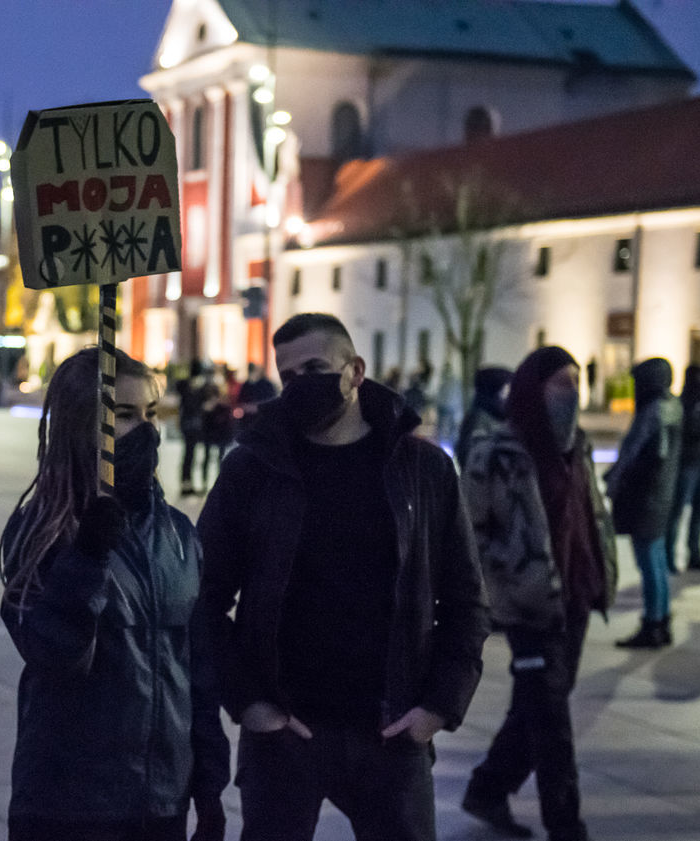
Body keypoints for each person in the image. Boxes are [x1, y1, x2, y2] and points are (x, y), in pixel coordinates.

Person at [196, 313, 488, 841]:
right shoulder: (253, 470)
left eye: (315, 368)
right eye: (288, 376)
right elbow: (204, 597)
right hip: (284, 735)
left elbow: (466, 600)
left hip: (392, 733)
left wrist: (437, 707)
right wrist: (251, 704)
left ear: (355, 372)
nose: (300, 385)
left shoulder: (422, 472)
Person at [0, 346, 229, 841]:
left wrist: (209, 781)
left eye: (150, 413)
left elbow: (196, 667)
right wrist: (86, 558)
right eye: (122, 415)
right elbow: (54, 655)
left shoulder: (177, 536)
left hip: (162, 802)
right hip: (71, 805)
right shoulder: (41, 532)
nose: (145, 429)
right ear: (80, 425)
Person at [460, 346, 616, 841]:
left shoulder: (578, 448)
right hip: (530, 606)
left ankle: (488, 787)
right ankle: (566, 825)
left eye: (576, 381)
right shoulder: (497, 452)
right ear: (533, 388)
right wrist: (506, 581)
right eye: (561, 383)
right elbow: (468, 530)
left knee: (538, 704)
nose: (573, 392)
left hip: (576, 596)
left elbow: (589, 517)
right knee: (552, 718)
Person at [606, 357, 682, 648]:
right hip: (660, 496)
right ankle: (660, 620)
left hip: (647, 499)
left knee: (649, 562)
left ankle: (652, 623)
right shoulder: (672, 406)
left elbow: (644, 455)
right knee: (657, 560)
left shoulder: (654, 412)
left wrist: (619, 480)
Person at [665, 364, 700, 573]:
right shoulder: (684, 402)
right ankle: (670, 556)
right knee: (678, 511)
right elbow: (692, 428)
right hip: (689, 463)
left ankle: (694, 554)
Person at [454, 365, 513, 471]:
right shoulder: (480, 419)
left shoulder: (496, 416)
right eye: (507, 389)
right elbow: (471, 457)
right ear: (496, 390)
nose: (510, 395)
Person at [200, 371, 235, 491]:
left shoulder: (221, 400)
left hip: (218, 432)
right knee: (209, 456)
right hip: (211, 431)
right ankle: (206, 483)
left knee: (218, 457)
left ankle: (217, 483)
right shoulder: (204, 396)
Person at [177, 360, 208, 496]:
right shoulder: (197, 388)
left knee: (189, 454)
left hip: (188, 423)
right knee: (190, 454)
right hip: (194, 424)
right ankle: (187, 484)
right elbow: (197, 406)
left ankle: (186, 483)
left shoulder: (186, 386)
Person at [235, 362, 277, 435]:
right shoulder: (246, 385)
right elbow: (240, 401)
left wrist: (256, 407)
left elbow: (271, 402)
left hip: (262, 421)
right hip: (247, 421)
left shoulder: (267, 385)